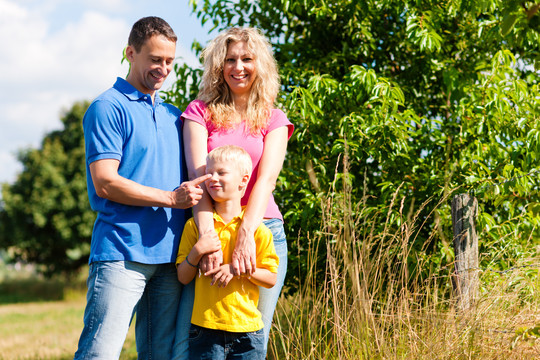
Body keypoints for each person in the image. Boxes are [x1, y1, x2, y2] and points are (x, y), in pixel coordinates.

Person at [74, 16, 210, 360]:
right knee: (100, 353)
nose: (162, 69)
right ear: (130, 53)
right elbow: (105, 181)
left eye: (169, 61)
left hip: (171, 260)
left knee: (159, 355)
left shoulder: (173, 115)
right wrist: (169, 199)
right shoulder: (107, 107)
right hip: (121, 252)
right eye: (155, 59)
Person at [174, 27, 294, 358]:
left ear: (260, 65)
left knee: (253, 338)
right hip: (209, 229)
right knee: (195, 340)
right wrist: (208, 237)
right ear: (218, 66)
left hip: (261, 230)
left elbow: (265, 181)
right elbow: (197, 177)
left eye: (246, 59)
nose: (238, 67)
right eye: (230, 60)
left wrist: (245, 233)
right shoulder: (200, 111)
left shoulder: (274, 118)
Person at [176, 145, 279, 359]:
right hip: (204, 330)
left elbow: (270, 279)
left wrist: (237, 269)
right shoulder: (194, 227)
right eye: (209, 173)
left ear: (243, 180)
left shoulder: (257, 232)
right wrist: (197, 252)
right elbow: (183, 277)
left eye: (221, 173)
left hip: (248, 333)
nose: (212, 178)